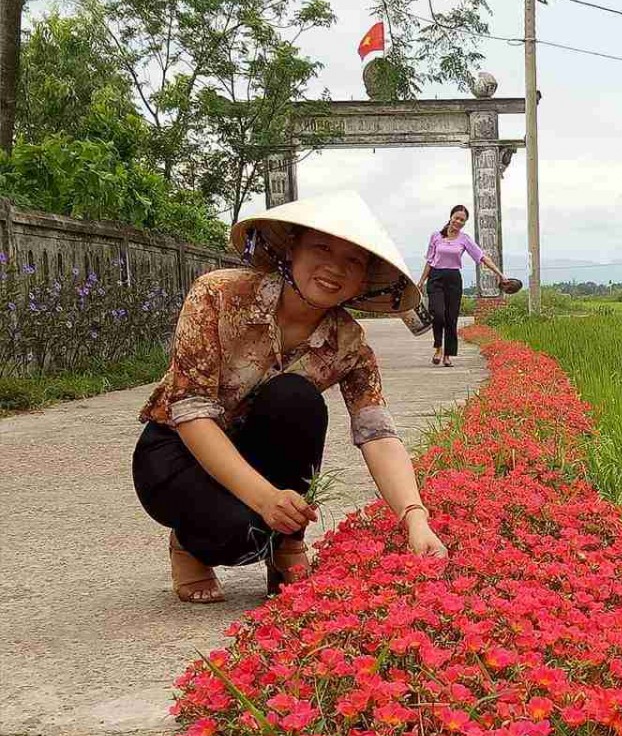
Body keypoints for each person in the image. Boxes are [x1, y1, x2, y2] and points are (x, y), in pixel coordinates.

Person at [132, 190, 448, 605]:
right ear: (292, 249)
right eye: (321, 248)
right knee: (237, 534)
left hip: (257, 451)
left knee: (296, 399)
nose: (334, 267)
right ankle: (189, 546)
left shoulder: (348, 344)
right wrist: (265, 500)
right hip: (177, 450)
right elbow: (190, 411)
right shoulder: (218, 296)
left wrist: (415, 519)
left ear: (363, 279)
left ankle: (286, 544)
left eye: (353, 261)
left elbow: (378, 434)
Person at [418, 205, 506, 367]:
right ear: (450, 217)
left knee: (451, 318)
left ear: (465, 223)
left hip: (453, 279)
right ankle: (438, 347)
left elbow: (482, 257)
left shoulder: (464, 239)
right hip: (435, 278)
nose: (458, 222)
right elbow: (429, 261)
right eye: (456, 218)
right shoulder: (436, 237)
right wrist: (421, 281)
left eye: (462, 220)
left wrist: (500, 274)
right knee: (438, 314)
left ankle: (447, 355)